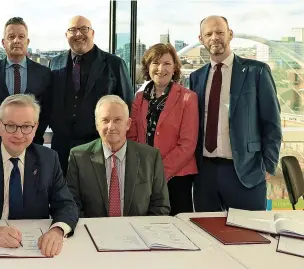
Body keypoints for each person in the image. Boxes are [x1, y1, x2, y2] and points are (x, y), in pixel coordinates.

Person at [0, 94, 79, 257]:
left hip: (34, 249)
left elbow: (67, 205)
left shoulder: (49, 158)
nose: (18, 135)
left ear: (36, 127)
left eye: (26, 126)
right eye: (10, 126)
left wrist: (57, 231)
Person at [189, 16, 282, 211]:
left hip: (246, 173)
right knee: (205, 237)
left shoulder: (257, 72)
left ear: (230, 34)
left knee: (249, 237)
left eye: (220, 32)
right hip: (205, 174)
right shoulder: (196, 77)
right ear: (201, 39)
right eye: (208, 34)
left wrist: (267, 167)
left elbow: (272, 123)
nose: (214, 37)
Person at [49, 15, 134, 175]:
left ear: (92, 33)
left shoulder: (114, 64)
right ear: (66, 35)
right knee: (61, 196)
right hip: (61, 147)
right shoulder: (55, 63)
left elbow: (127, 105)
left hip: (99, 146)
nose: (78, 34)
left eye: (83, 29)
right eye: (72, 30)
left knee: (95, 197)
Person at [67, 95, 170, 218]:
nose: (111, 127)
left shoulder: (150, 157)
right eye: (105, 120)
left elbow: (160, 206)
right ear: (96, 125)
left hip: (137, 232)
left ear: (128, 124)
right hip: (94, 232)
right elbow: (72, 205)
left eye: (117, 120)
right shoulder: (78, 157)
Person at [126, 43, 198, 216]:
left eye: (166, 63)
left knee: (178, 230)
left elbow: (187, 145)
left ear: (174, 68)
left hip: (178, 177)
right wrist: (144, 171)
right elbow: (132, 136)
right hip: (144, 175)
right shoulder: (139, 98)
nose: (161, 68)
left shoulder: (188, 98)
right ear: (147, 67)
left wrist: (159, 174)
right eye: (155, 63)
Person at [0, 17, 52, 144]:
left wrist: (33, 134)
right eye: (11, 36)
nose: (16, 40)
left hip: (32, 143)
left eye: (21, 36)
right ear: (3, 42)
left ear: (27, 41)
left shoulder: (43, 73)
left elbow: (46, 111)